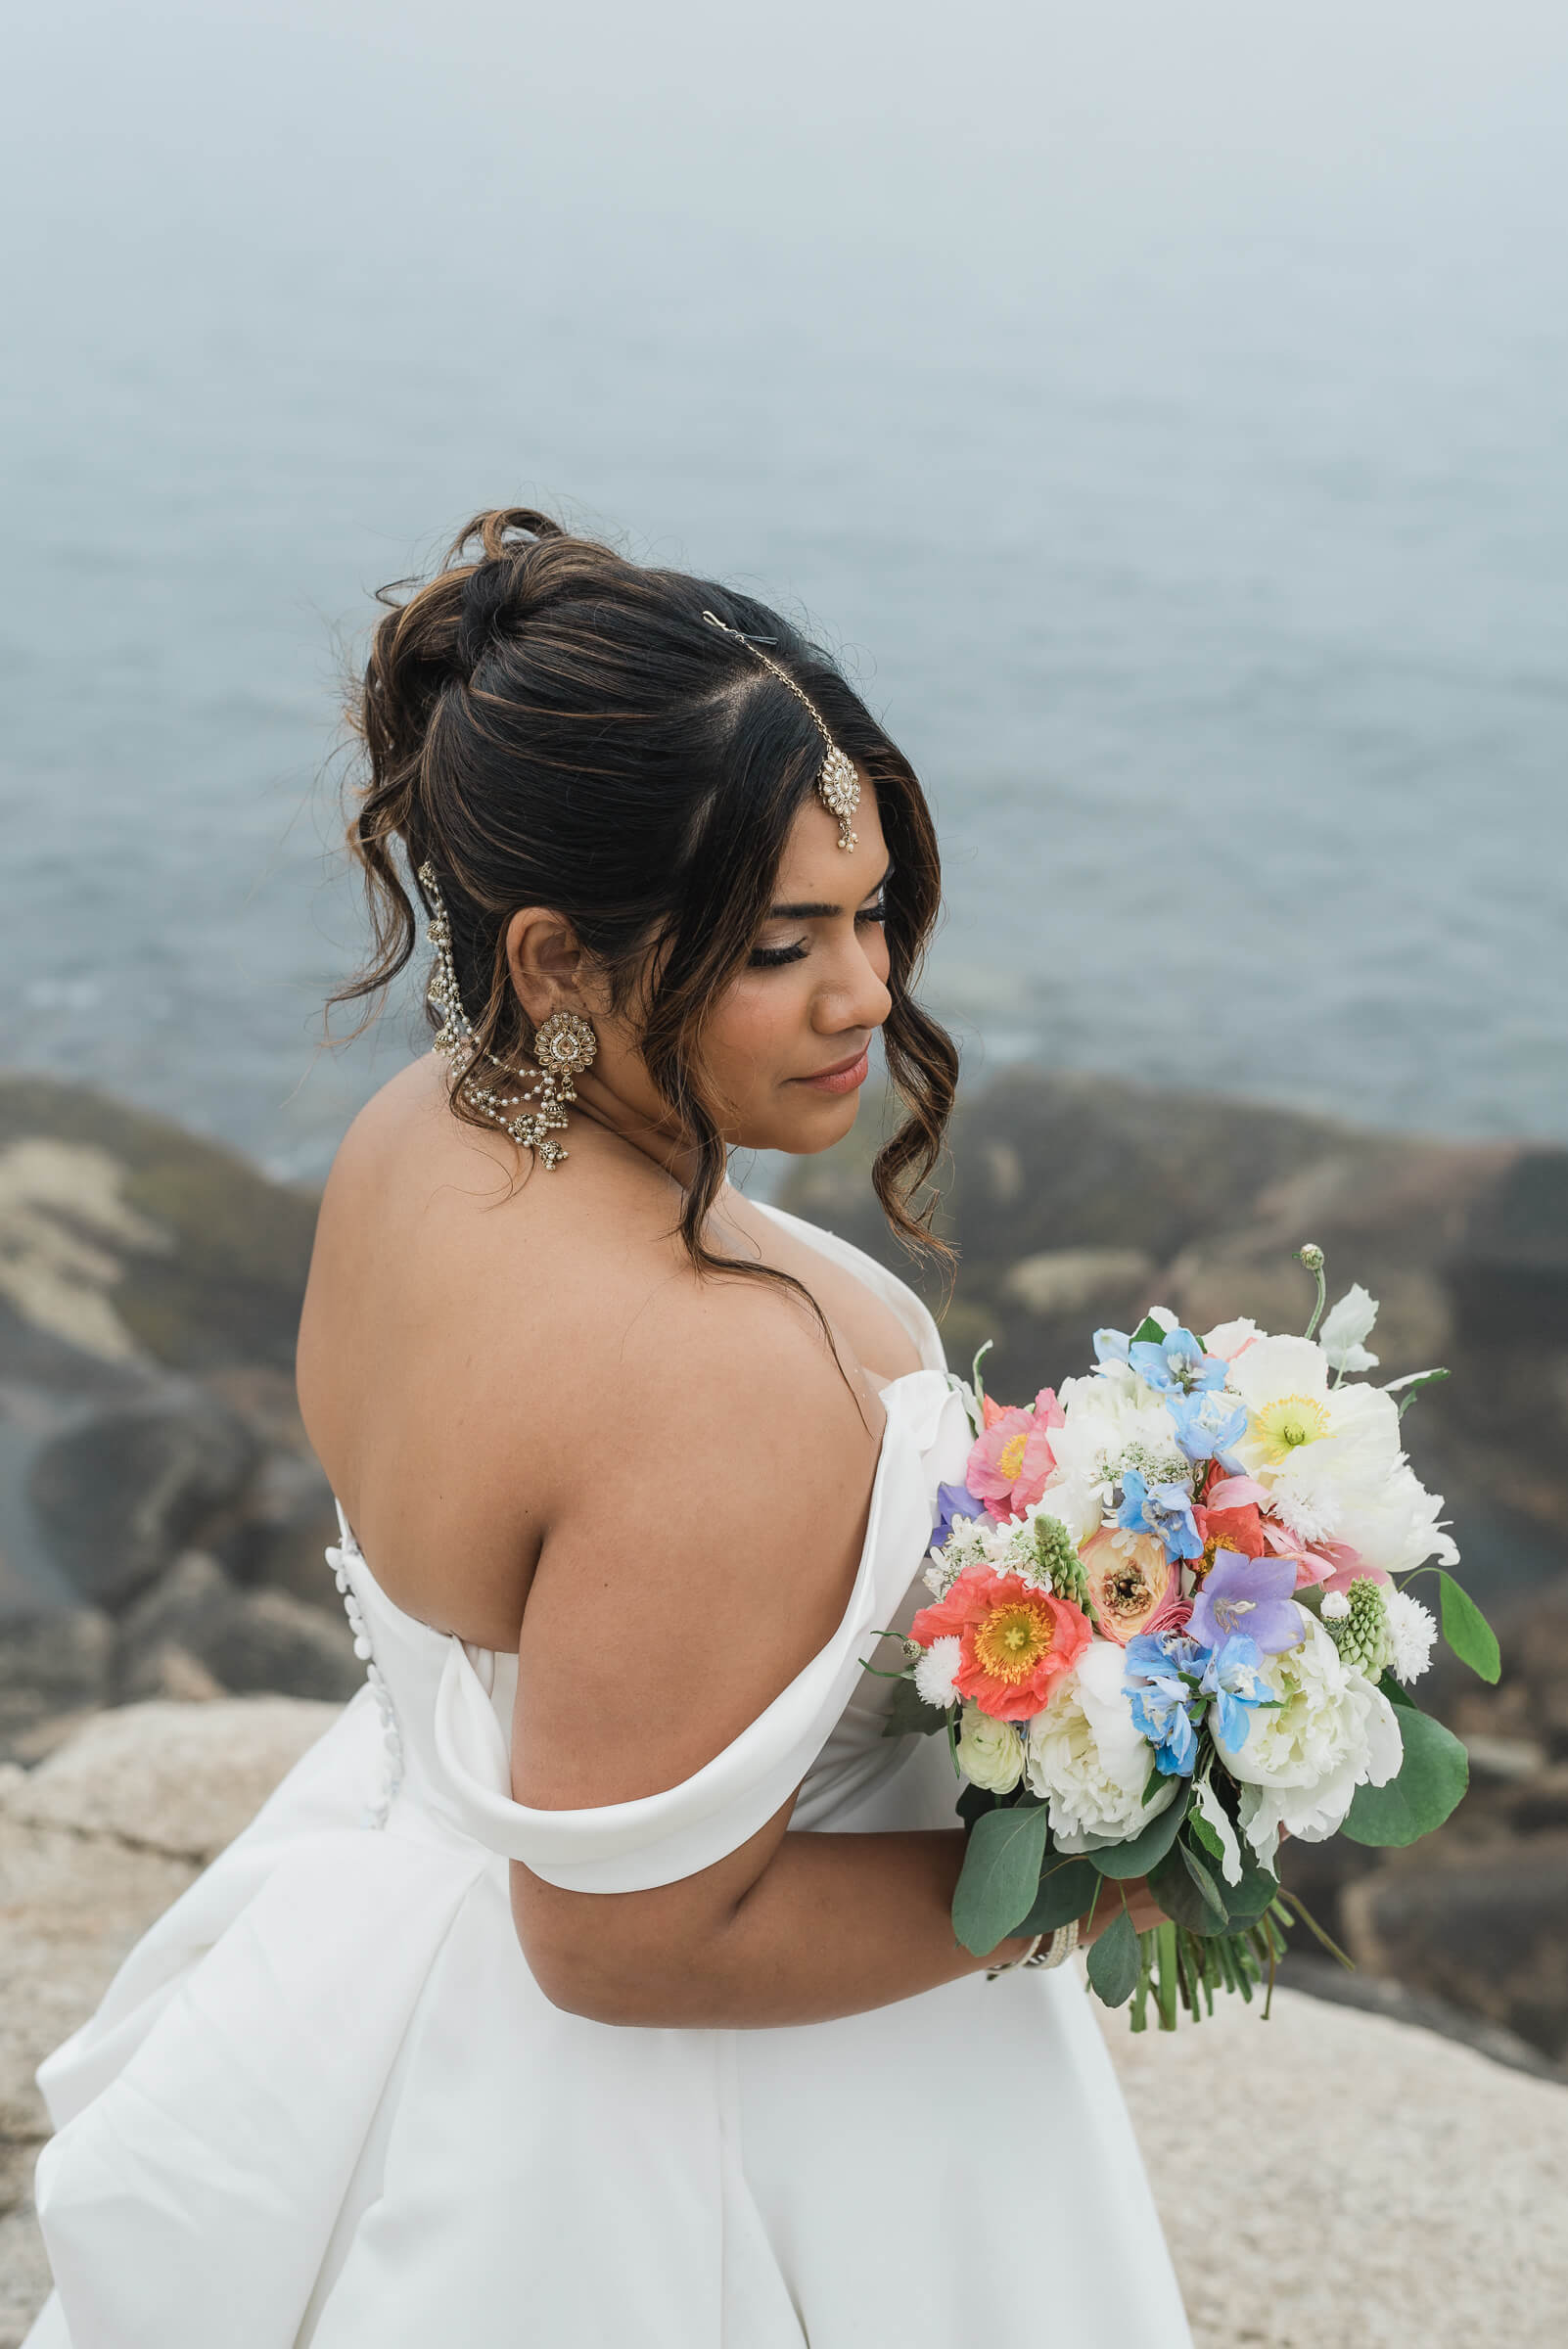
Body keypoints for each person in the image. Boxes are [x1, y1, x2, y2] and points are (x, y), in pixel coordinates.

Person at [23, 511, 1190, 2346]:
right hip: (690, 2158)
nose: (867, 994)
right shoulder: (713, 1384)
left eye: (872, 911)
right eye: (778, 943)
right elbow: (626, 1941)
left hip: (393, 1967)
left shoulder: (420, 1131)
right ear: (561, 960)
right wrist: (1094, 1891)